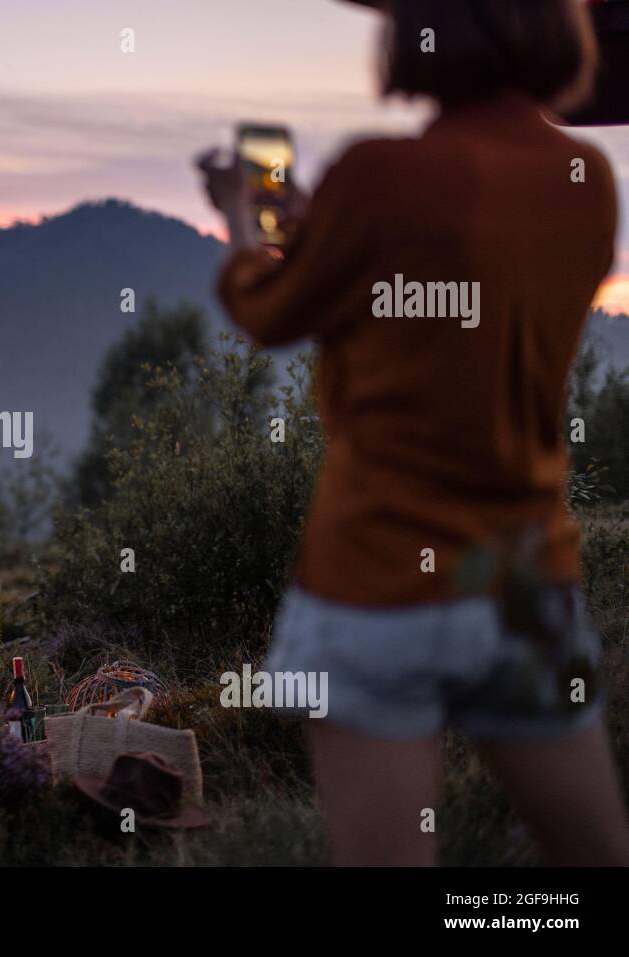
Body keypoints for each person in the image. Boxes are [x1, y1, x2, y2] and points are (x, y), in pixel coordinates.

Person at [199, 0, 629, 865]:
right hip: (520, 577)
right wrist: (342, 229)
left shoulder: (378, 177)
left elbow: (271, 309)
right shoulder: (586, 180)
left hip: (375, 578)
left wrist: (245, 221)